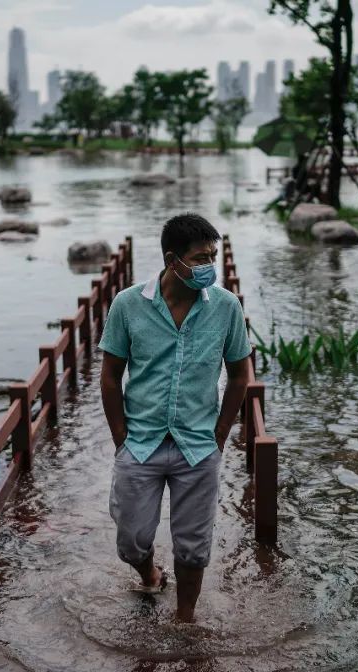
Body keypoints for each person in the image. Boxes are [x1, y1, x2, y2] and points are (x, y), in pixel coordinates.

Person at [98, 213, 251, 623]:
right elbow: (110, 376)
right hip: (141, 443)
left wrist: (220, 434)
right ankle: (149, 573)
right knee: (131, 538)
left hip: (198, 446)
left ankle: (185, 620)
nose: (210, 266)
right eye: (201, 258)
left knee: (193, 545)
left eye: (213, 256)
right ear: (172, 259)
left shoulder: (225, 307)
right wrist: (120, 436)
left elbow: (240, 374)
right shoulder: (128, 305)